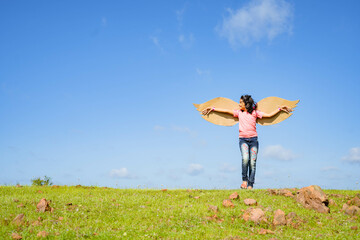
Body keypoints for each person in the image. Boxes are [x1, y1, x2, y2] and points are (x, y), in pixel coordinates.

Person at [202, 95, 293, 189]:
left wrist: (280, 109)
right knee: (245, 159)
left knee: (252, 162)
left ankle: (251, 184)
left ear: (246, 103)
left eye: (241, 102)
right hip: (243, 140)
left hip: (253, 140)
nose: (239, 104)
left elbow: (269, 115)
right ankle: (244, 181)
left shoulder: (255, 113)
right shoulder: (239, 113)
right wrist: (212, 109)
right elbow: (226, 111)